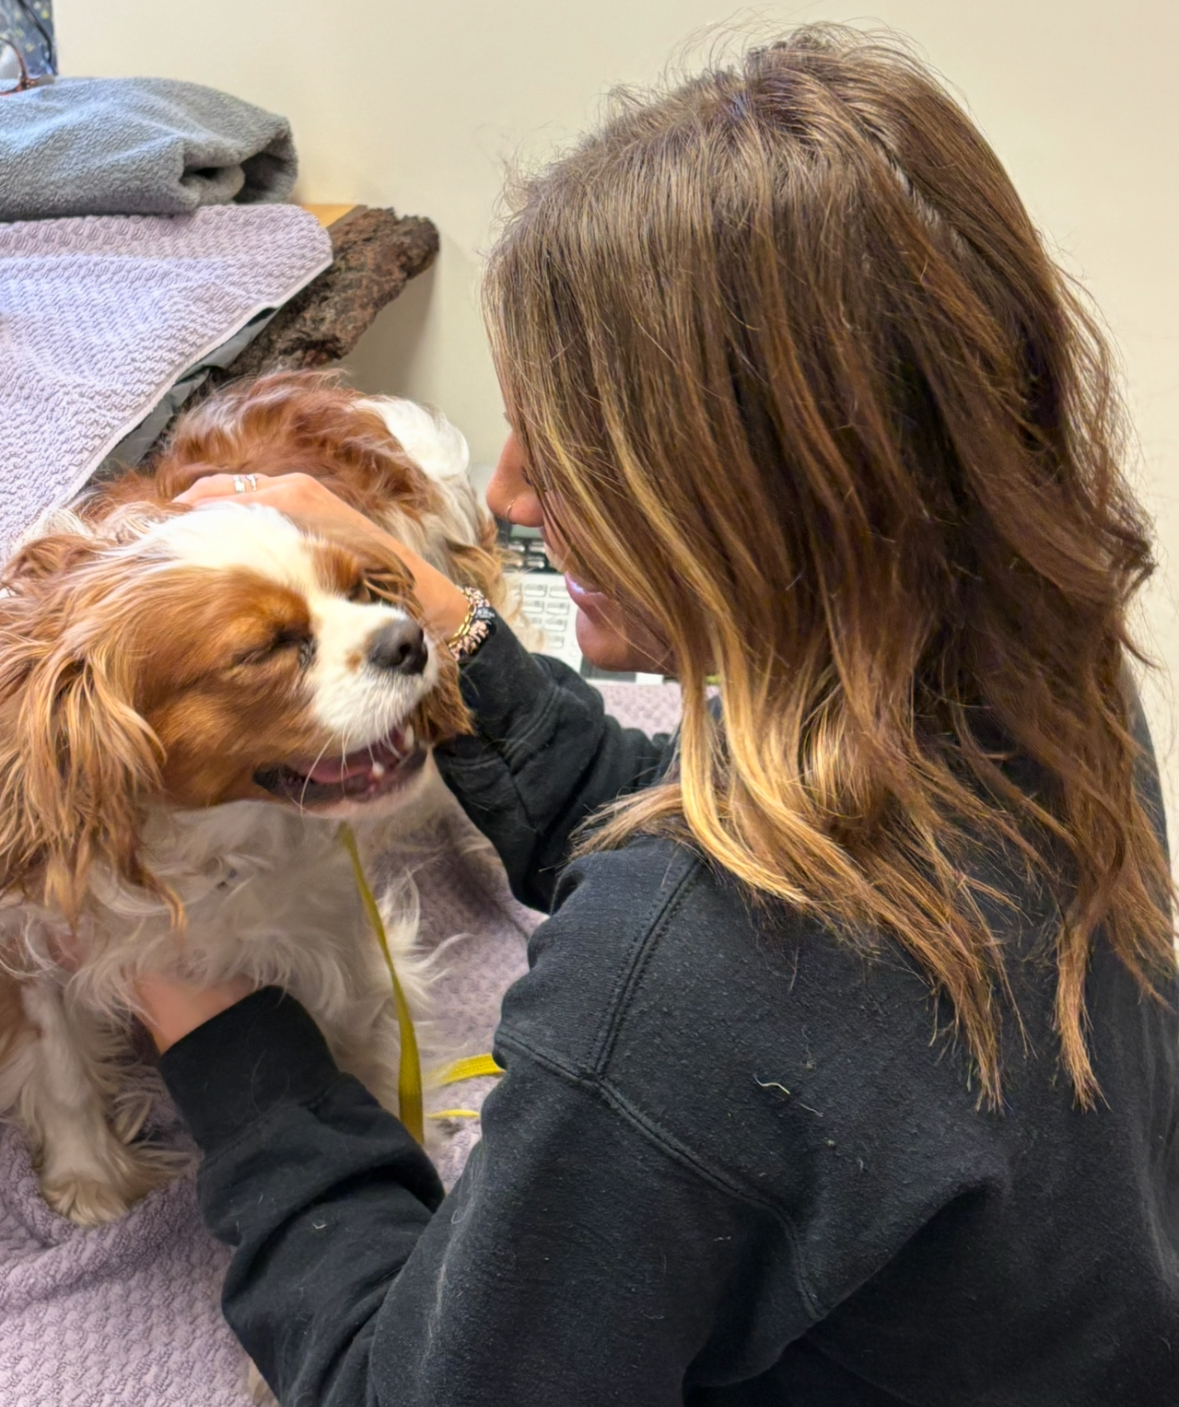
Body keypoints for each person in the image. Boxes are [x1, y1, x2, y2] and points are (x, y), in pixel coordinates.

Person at [133, 26, 1178, 1406]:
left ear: (743, 491)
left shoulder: (684, 992)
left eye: (563, 447)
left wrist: (215, 1027)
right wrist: (450, 630)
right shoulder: (1036, 673)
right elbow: (664, 816)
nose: (507, 497)